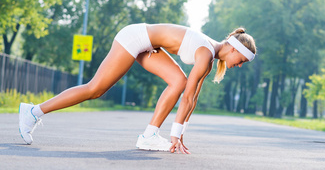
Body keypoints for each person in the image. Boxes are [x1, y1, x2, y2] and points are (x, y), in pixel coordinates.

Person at [18, 23, 257, 154]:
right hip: (135, 38)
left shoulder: (209, 57)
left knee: (179, 81)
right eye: (242, 61)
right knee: (95, 89)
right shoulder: (205, 53)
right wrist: (175, 133)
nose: (239, 66)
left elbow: (192, 98)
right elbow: (186, 98)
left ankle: (149, 136)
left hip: (149, 46)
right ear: (234, 49)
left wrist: (180, 132)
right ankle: (33, 112)